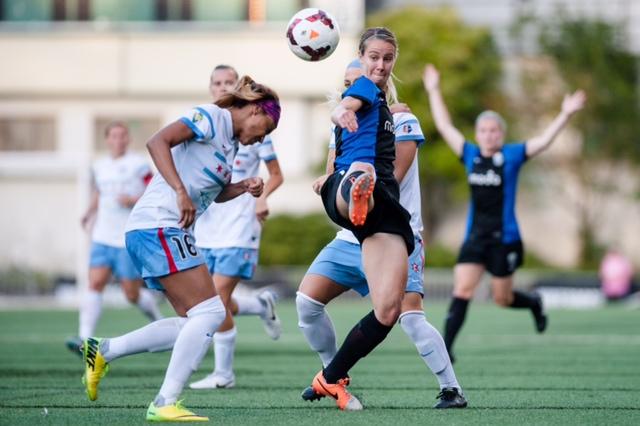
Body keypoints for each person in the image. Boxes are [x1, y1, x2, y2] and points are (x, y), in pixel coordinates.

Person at [79, 76, 281, 422]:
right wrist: (179, 191)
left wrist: (242, 186)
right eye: (267, 127)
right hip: (158, 225)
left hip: (165, 230)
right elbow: (157, 141)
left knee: (194, 320)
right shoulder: (210, 117)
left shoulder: (231, 145)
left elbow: (214, 194)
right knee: (212, 314)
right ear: (252, 109)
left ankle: (104, 350)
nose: (263, 137)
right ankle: (164, 402)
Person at [297, 59, 466, 409]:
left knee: (410, 318)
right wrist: (326, 182)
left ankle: (451, 389)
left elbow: (392, 177)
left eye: (356, 82)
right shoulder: (340, 126)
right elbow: (332, 173)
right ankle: (334, 374)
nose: (350, 88)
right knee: (306, 303)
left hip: (392, 233)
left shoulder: (402, 121)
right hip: (351, 237)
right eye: (346, 82)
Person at [423, 64, 586, 362]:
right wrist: (434, 89)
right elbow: (446, 127)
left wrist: (565, 114)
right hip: (475, 238)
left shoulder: (511, 155)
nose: (488, 135)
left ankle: (534, 302)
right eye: (483, 130)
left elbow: (544, 141)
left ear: (502, 134)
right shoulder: (470, 154)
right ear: (478, 134)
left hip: (505, 239)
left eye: (494, 130)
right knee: (462, 289)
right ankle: (447, 350)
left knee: (503, 298)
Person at [301, 27, 415, 411]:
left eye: (387, 58)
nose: (380, 65)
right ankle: (358, 191)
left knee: (388, 310)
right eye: (374, 57)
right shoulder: (364, 88)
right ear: (362, 58)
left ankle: (330, 377)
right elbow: (346, 105)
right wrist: (341, 109)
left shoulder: (383, 103)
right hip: (348, 189)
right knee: (362, 170)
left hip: (383, 207)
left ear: (394, 60)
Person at [189, 65, 284, 390]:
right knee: (207, 298)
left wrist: (261, 198)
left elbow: (276, 174)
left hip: (240, 227)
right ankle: (259, 305)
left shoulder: (257, 134)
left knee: (215, 298)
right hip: (206, 228)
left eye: (229, 82)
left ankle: (223, 374)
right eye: (217, 83)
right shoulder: (207, 129)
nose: (222, 87)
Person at [66, 122, 163, 355]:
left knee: (131, 293)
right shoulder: (100, 166)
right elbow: (100, 192)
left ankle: (159, 322)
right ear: (107, 139)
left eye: (122, 136)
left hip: (126, 237)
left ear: (128, 139)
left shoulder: (138, 165)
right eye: (114, 136)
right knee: (95, 283)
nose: (118, 140)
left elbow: (155, 188)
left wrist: (133, 199)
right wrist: (89, 212)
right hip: (102, 236)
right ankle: (85, 337)